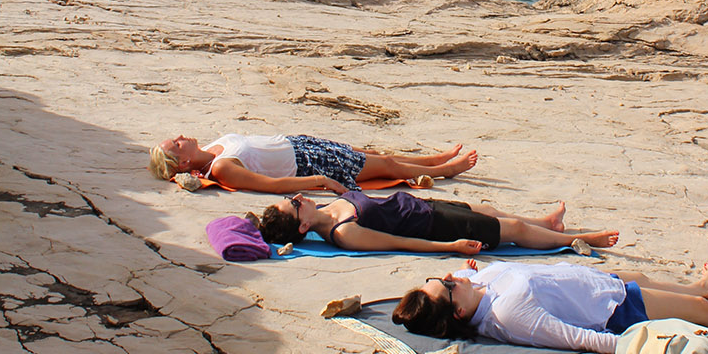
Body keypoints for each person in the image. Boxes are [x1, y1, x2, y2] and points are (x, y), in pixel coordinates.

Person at [391, 260, 708, 353]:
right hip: (614, 309)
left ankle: (700, 285)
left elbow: (469, 274)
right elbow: (573, 338)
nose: (452, 277)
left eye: (443, 276)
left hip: (594, 283)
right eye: (448, 285)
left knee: (644, 276)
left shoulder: (475, 286)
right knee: (703, 313)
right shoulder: (509, 315)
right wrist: (625, 346)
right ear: (458, 312)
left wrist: (469, 272)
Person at [258, 192, 620, 256]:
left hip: (423, 206)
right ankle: (581, 238)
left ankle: (547, 223)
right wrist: (450, 247)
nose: (298, 197)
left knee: (488, 210)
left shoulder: (324, 208)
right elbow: (399, 243)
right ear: (303, 227)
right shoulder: (344, 232)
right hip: (436, 226)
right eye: (294, 204)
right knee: (514, 232)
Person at [149, 132, 477, 194]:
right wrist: (319, 181)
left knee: (375, 155)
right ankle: (445, 170)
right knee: (387, 165)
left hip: (300, 144)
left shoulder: (209, 148)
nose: (180, 137)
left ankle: (434, 160)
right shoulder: (221, 168)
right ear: (183, 161)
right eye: (176, 144)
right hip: (309, 163)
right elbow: (273, 185)